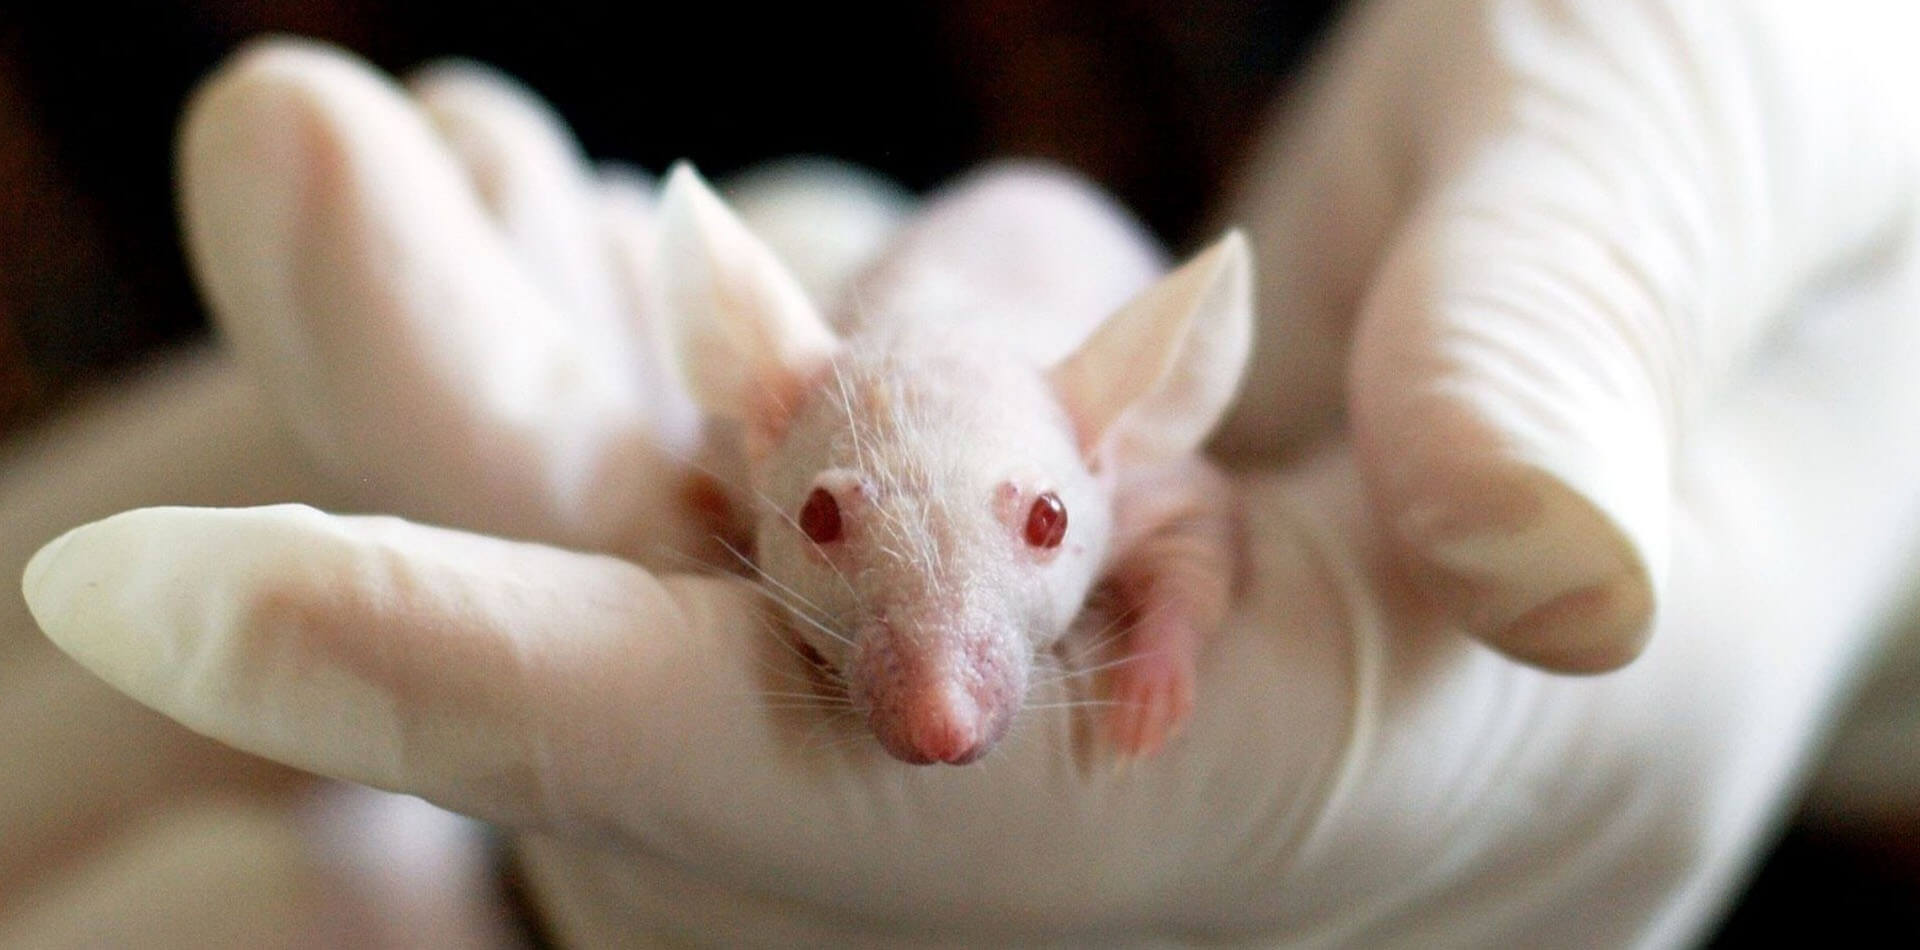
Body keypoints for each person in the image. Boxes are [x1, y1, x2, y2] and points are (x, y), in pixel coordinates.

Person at [13, 0, 1920, 944]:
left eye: (1040, 534)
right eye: (820, 523)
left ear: (1132, 415)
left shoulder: (1136, 451)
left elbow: (1189, 527)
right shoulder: (766, 421)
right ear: (758, 413)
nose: (939, 706)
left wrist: (1870, 555)